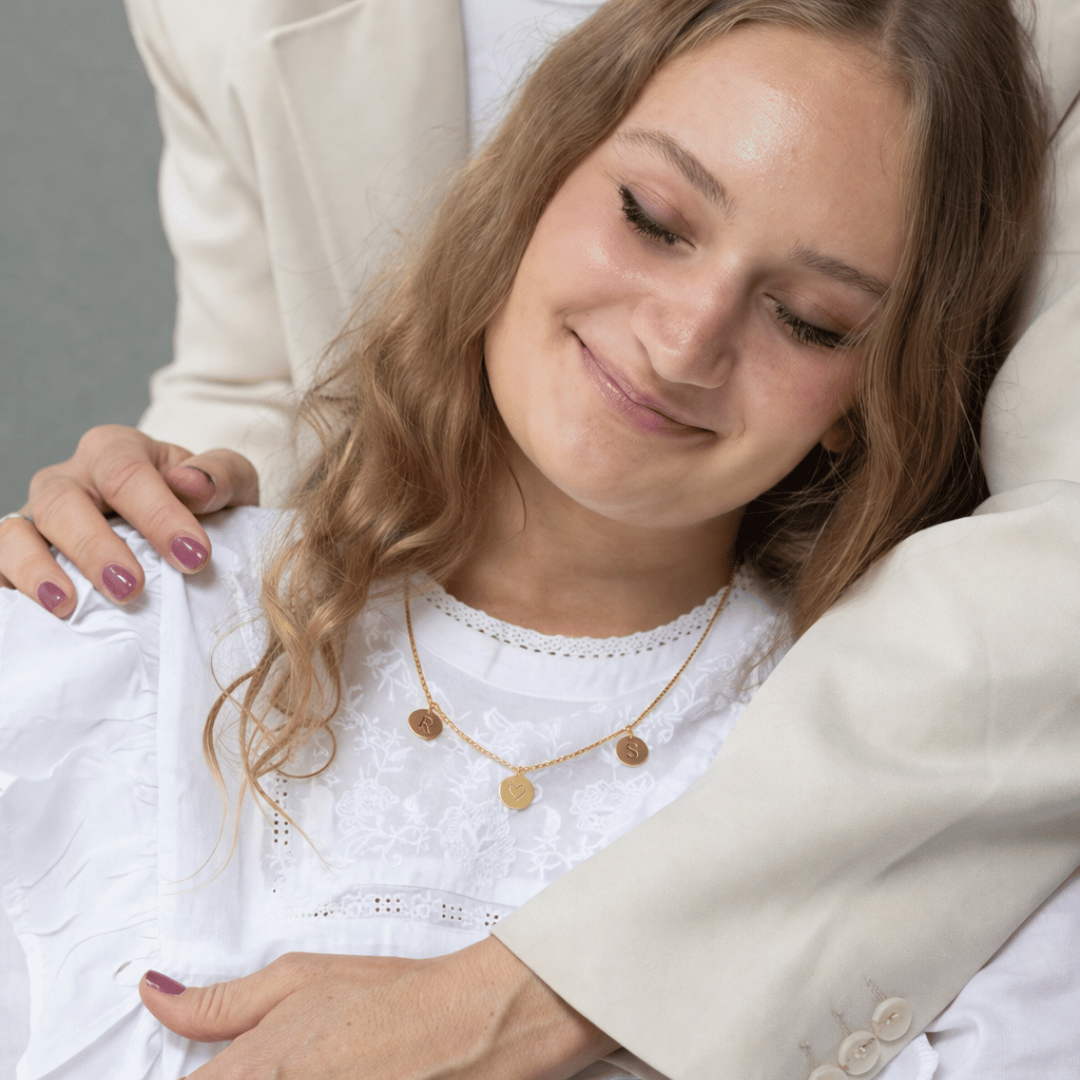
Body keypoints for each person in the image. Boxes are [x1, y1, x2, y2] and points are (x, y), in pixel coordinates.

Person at [3, 3, 1080, 1080]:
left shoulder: (934, 850)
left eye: (808, 318)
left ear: (870, 388)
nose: (683, 341)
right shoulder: (104, 658)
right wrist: (165, 519)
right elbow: (245, 385)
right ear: (531, 178)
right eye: (653, 218)